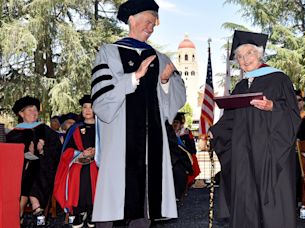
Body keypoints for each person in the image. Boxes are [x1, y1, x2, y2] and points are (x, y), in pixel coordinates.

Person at [90, 0, 186, 226]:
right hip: (120, 143)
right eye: (148, 21)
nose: (151, 27)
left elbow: (175, 101)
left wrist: (164, 81)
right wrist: (133, 78)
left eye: (154, 24)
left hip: (152, 143)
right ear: (131, 20)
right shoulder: (109, 53)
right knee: (116, 203)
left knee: (145, 201)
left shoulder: (160, 57)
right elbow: (101, 100)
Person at [210, 30, 300, 228]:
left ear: (259, 54)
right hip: (243, 152)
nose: (244, 60)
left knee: (272, 200)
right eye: (239, 57)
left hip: (270, 151)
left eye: (248, 54)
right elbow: (231, 119)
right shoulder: (241, 86)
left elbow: (292, 114)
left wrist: (273, 107)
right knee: (245, 196)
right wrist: (214, 131)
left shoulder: (279, 79)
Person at [6, 96, 61, 221]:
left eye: (35, 110)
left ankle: (22, 209)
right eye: (29, 110)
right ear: (21, 113)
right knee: (28, 167)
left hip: (44, 167)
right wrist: (23, 153)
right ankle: (34, 205)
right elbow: (10, 155)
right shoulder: (14, 133)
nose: (33, 112)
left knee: (34, 166)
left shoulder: (46, 130)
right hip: (19, 170)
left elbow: (57, 149)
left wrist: (42, 150)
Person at [53, 95, 98, 227]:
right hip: (78, 160)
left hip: (98, 161)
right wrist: (81, 154)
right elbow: (66, 151)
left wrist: (97, 151)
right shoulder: (74, 129)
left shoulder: (104, 127)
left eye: (91, 107)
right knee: (78, 173)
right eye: (85, 107)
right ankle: (77, 211)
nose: (88, 110)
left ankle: (92, 211)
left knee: (94, 172)